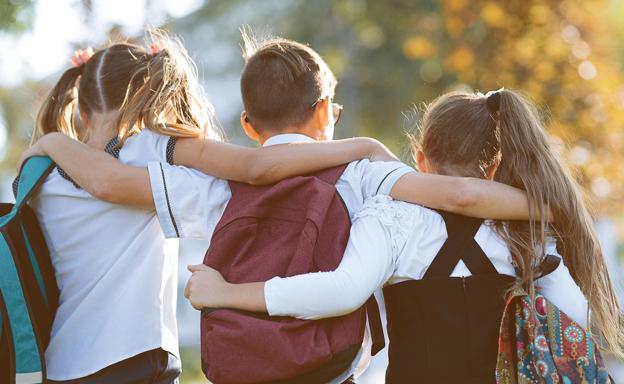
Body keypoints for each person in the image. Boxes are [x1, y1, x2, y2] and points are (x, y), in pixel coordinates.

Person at [25, 36, 539, 382]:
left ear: (248, 126)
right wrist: (547, 205)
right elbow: (456, 195)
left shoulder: (212, 189)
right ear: (323, 112)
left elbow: (124, 183)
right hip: (338, 368)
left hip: (243, 364)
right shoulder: (363, 173)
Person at [185, 89, 624, 383]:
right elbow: (574, 316)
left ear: (420, 157)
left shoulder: (391, 220)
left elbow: (339, 292)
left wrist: (227, 292)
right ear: (493, 167)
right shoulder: (524, 231)